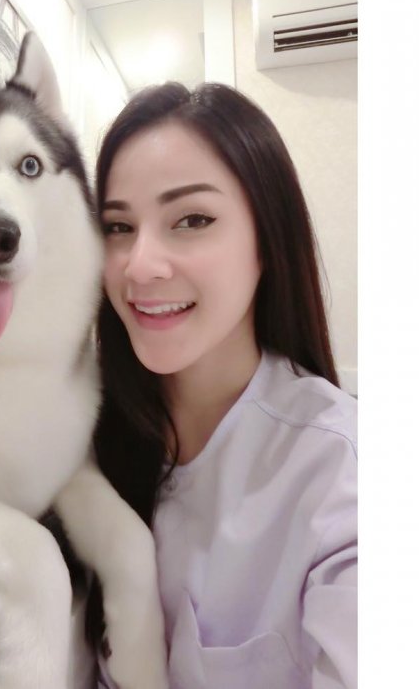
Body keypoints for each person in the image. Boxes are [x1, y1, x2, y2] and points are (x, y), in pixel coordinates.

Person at [88, 82, 356, 689]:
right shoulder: (89, 443)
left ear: (268, 240)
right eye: (118, 226)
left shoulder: (340, 473)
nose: (139, 265)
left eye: (192, 220)